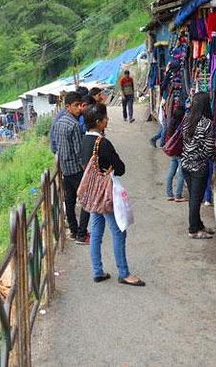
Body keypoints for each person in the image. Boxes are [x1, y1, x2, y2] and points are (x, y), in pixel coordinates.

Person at [81, 103, 145, 286]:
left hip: (93, 193)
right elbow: (121, 168)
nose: (107, 121)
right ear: (99, 122)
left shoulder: (84, 141)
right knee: (118, 231)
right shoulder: (103, 143)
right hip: (106, 193)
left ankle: (97, 271)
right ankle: (124, 273)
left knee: (96, 232)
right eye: (105, 118)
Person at [53, 91, 90, 244]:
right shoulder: (74, 125)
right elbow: (78, 151)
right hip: (75, 168)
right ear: (67, 106)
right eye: (75, 106)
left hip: (64, 167)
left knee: (70, 200)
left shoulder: (59, 122)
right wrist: (86, 169)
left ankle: (74, 231)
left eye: (79, 105)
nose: (78, 109)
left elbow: (56, 146)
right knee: (87, 200)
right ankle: (81, 234)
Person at [180, 92, 216, 239]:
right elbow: (209, 150)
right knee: (196, 199)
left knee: (194, 198)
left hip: (185, 164)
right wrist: (215, 158)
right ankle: (193, 229)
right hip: (199, 167)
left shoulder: (187, 119)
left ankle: (198, 224)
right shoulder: (207, 124)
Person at [164, 106, 186, 202]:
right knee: (181, 175)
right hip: (181, 153)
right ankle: (178, 195)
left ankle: (169, 194)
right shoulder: (181, 126)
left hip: (173, 152)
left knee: (170, 173)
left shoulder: (171, 124)